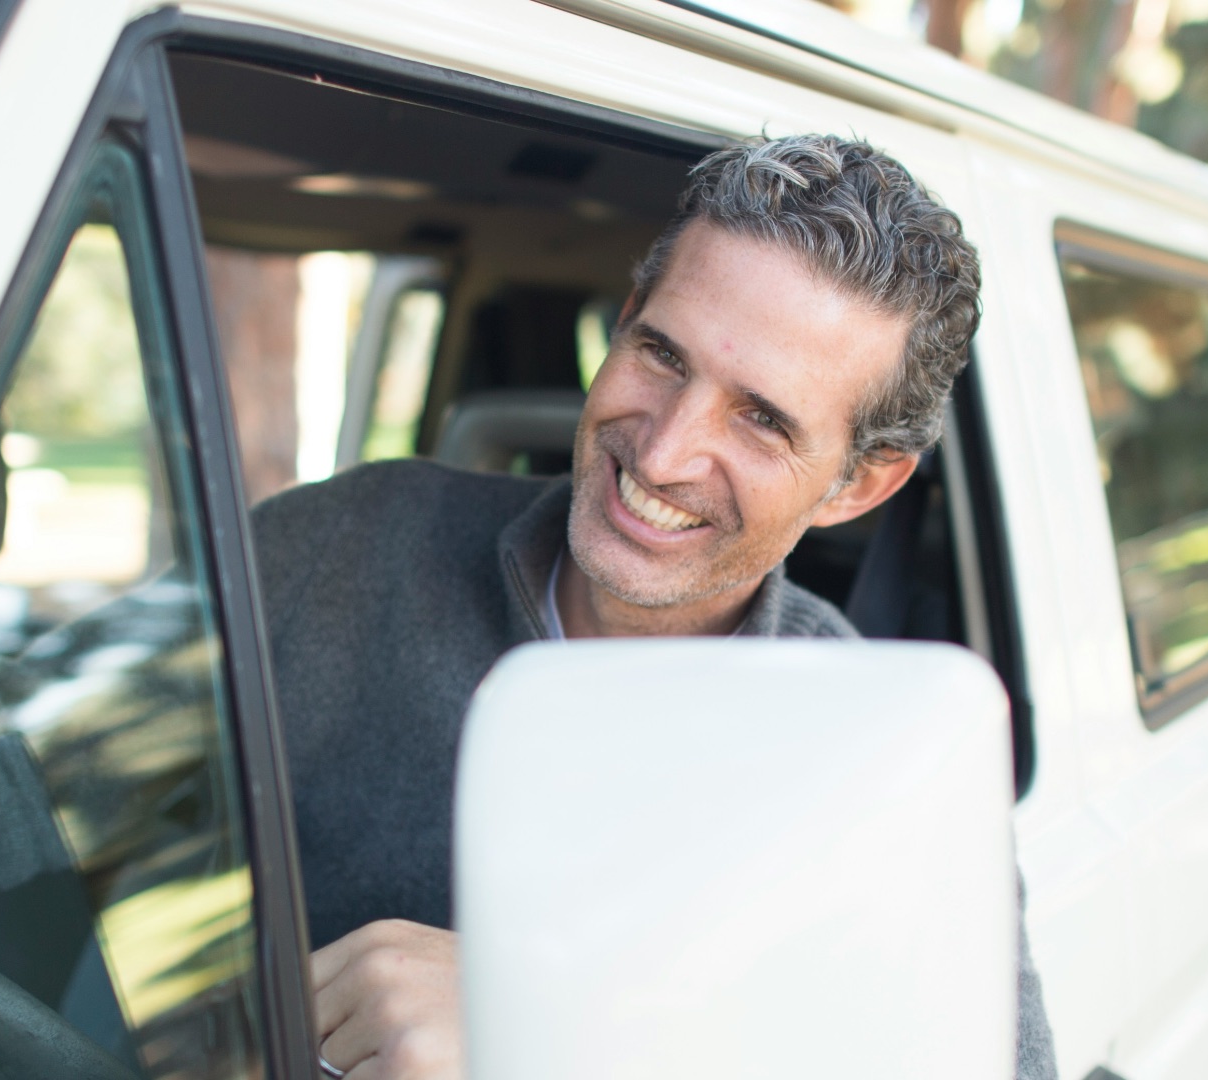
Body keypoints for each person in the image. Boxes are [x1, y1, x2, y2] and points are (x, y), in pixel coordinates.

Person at [250, 134, 1058, 1080]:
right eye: (662, 354)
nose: (666, 452)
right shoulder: (342, 542)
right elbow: (45, 836)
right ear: (627, 319)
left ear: (859, 488)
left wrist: (562, 1043)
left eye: (762, 418)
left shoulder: (892, 775)